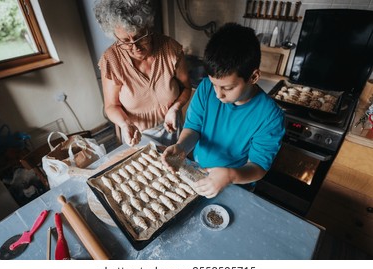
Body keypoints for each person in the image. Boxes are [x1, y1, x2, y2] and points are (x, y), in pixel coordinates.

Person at [161, 22, 285, 198]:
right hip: (199, 169)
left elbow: (258, 167)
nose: (218, 94)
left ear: (254, 77)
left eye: (227, 88)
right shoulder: (205, 89)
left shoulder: (270, 117)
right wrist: (181, 147)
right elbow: (193, 128)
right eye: (214, 84)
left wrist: (230, 175)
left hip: (236, 184)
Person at [94, 0, 192, 146]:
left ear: (148, 27)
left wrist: (175, 108)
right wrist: (125, 124)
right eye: (126, 41)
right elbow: (111, 106)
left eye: (140, 36)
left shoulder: (170, 49)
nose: (135, 47)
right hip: (136, 133)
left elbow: (186, 88)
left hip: (171, 125)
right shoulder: (111, 60)